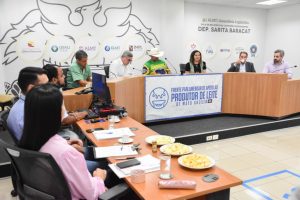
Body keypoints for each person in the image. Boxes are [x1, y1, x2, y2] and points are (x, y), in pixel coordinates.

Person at [18, 84, 107, 199]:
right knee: (110, 169)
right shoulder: (66, 153)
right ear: (54, 113)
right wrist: (99, 177)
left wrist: (66, 145)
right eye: (62, 106)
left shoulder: (29, 139)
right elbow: (90, 194)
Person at [7, 67, 49, 141]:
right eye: (46, 86)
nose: (50, 88)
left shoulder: (27, 104)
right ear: (31, 88)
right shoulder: (30, 113)